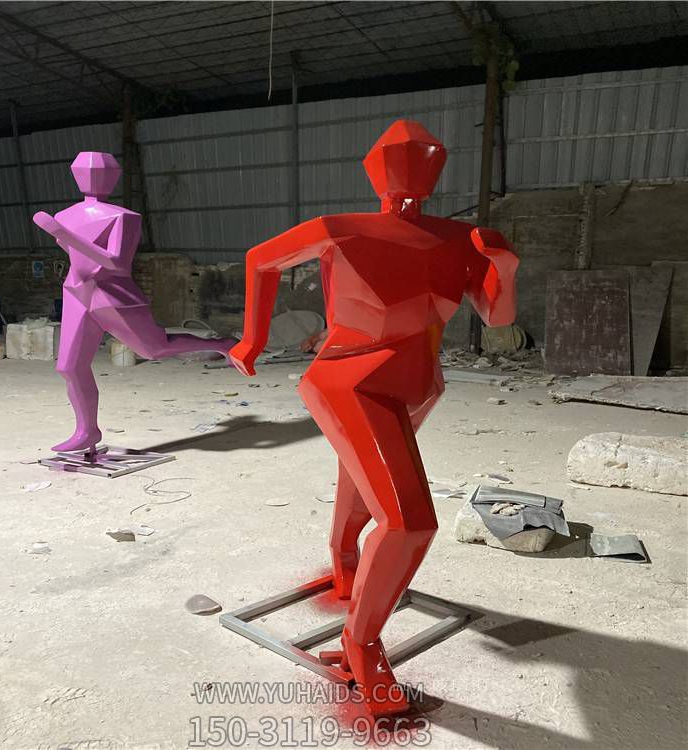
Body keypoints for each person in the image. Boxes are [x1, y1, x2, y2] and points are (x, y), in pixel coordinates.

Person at [229, 120, 519, 714]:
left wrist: (504, 267)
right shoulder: (342, 229)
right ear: (375, 168)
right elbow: (261, 260)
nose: (410, 170)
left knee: (366, 482)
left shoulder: (463, 240)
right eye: (400, 159)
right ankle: (360, 643)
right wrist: (251, 338)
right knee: (408, 520)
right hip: (351, 381)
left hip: (418, 386)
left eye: (423, 159)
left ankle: (345, 562)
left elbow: (496, 318)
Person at [33, 152, 234, 452]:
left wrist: (66, 236)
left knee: (154, 349)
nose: (92, 177)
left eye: (100, 172)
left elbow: (117, 263)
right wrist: (64, 237)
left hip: (113, 293)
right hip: (76, 291)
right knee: (69, 366)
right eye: (84, 171)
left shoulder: (123, 217)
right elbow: (74, 254)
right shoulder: (64, 216)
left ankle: (222, 344)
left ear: (113, 177)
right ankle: (87, 431)